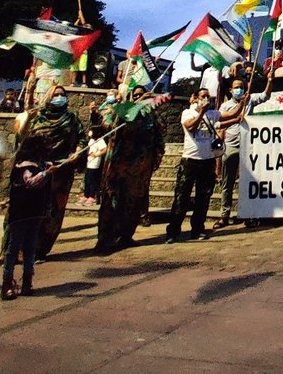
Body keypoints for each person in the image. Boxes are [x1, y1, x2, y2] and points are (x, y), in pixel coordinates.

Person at [11, 85, 85, 258]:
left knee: (54, 211)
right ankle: (22, 250)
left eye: (62, 95)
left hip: (61, 170)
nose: (59, 97)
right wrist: (28, 120)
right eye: (56, 95)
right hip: (38, 169)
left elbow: (81, 137)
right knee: (33, 210)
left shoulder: (71, 118)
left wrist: (78, 151)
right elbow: (22, 139)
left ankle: (41, 249)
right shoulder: (38, 117)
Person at [95, 86, 165, 253]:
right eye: (136, 95)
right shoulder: (119, 111)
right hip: (119, 168)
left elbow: (159, 134)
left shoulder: (150, 116)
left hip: (139, 169)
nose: (140, 98)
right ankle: (105, 240)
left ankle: (126, 236)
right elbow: (108, 126)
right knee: (111, 204)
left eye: (143, 95)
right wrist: (133, 109)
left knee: (133, 203)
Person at [213, 69, 273, 230]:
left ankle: (249, 214)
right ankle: (224, 215)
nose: (239, 89)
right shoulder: (225, 105)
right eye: (236, 87)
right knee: (228, 183)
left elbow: (265, 96)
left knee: (248, 183)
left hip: (249, 147)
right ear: (231, 90)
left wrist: (270, 81)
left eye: (241, 86)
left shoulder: (250, 100)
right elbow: (221, 124)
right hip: (231, 146)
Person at [0, 146, 56, 300]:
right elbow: (30, 182)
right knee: (13, 248)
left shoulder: (40, 165)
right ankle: (7, 283)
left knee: (30, 248)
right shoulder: (25, 166)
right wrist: (46, 173)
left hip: (35, 213)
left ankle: (27, 282)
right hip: (21, 213)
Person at [167, 88, 222, 242]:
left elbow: (230, 115)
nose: (206, 99)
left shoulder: (213, 114)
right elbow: (191, 127)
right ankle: (173, 231)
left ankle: (197, 229)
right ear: (196, 98)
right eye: (203, 96)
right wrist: (201, 112)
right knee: (181, 197)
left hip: (207, 160)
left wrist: (242, 104)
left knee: (203, 198)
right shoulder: (188, 113)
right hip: (190, 160)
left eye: (208, 97)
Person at [80, 128, 106, 207]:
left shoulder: (100, 140)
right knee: (87, 179)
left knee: (92, 180)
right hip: (89, 162)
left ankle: (92, 196)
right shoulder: (91, 140)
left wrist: (96, 155)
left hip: (94, 163)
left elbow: (104, 149)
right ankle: (86, 195)